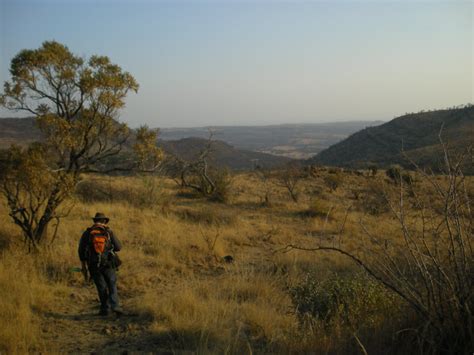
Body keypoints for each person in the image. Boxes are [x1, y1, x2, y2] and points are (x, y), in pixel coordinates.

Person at [78, 212, 123, 316]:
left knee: (101, 287)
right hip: (108, 263)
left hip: (93, 265)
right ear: (104, 221)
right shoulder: (108, 232)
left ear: (94, 221)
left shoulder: (88, 233)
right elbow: (118, 247)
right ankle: (115, 306)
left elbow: (81, 251)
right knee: (112, 284)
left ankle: (105, 309)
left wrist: (84, 266)